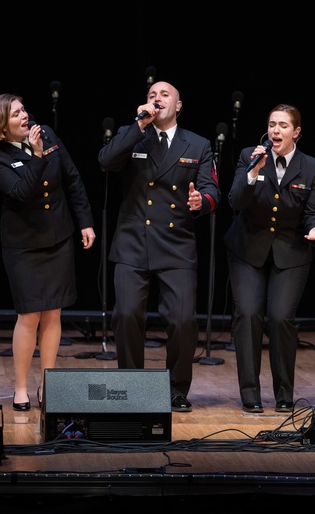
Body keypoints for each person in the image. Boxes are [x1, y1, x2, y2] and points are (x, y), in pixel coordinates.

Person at [98, 80, 220, 412]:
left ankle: (176, 389)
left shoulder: (197, 143)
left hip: (176, 243)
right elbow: (106, 161)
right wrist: (139, 124)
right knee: (126, 315)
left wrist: (201, 201)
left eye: (164, 95)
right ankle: (132, 387)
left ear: (178, 105)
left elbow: (213, 190)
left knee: (181, 320)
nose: (157, 99)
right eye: (152, 95)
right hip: (133, 241)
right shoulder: (134, 133)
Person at [0, 94, 96, 411]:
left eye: (23, 110)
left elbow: (72, 179)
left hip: (58, 236)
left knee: (54, 313)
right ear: (1, 128)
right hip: (24, 245)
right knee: (29, 315)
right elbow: (21, 192)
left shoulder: (49, 135)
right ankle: (20, 387)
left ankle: (49, 383)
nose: (24, 116)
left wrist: (85, 221)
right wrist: (37, 155)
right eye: (16, 113)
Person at [224, 104, 315, 413]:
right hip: (247, 247)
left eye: (283, 125)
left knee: (281, 317)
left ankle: (284, 394)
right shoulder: (251, 155)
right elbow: (235, 201)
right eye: (272, 124)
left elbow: (314, 212)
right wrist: (253, 173)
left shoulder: (312, 167)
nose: (276, 130)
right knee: (247, 315)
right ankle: (250, 394)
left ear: (296, 132)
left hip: (290, 250)